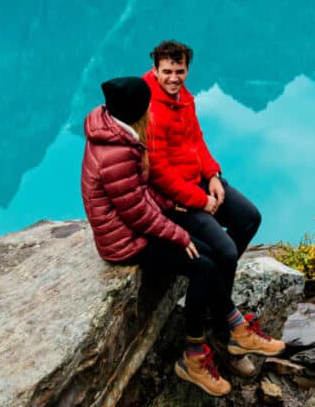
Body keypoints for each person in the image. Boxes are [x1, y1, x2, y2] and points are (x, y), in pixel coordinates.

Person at [83, 75, 250, 397]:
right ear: (138, 111)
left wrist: (170, 203)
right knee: (203, 265)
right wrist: (177, 234)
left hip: (132, 226)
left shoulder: (115, 130)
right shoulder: (116, 152)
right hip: (124, 241)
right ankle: (194, 357)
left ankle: (229, 323)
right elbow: (135, 213)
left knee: (212, 255)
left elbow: (139, 191)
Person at [143, 40, 285, 357]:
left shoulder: (184, 98)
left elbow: (197, 140)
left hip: (200, 183)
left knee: (249, 218)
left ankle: (214, 300)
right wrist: (198, 198)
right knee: (224, 252)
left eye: (180, 71)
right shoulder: (150, 108)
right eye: (167, 71)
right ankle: (226, 324)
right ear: (155, 69)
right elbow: (158, 171)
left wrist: (213, 176)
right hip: (177, 197)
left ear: (187, 69)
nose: (174, 78)